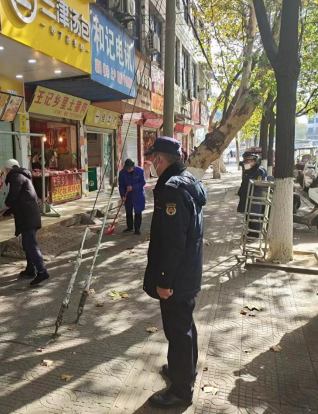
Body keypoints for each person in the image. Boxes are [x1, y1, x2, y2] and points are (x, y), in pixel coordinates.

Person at [142, 137, 207, 408]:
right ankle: (184, 371)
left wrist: (164, 280)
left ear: (160, 158)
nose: (150, 164)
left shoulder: (171, 189)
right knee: (185, 326)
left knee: (178, 331)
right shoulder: (188, 180)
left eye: (152, 158)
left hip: (177, 277)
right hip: (188, 270)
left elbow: (172, 241)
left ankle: (181, 391)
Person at [3, 159, 49, 286]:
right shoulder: (24, 176)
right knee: (27, 244)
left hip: (27, 216)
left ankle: (42, 271)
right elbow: (22, 198)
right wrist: (9, 211)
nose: (5, 172)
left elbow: (14, 193)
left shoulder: (16, 176)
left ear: (9, 169)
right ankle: (30, 269)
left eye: (6, 170)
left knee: (30, 245)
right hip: (29, 215)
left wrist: (7, 204)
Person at [237, 152, 267, 238]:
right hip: (247, 196)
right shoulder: (249, 170)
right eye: (246, 160)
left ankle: (255, 234)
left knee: (254, 216)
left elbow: (259, 184)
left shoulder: (259, 171)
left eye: (248, 161)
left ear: (254, 161)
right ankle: (250, 232)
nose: (246, 162)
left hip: (255, 197)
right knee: (248, 216)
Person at [118, 159, 146, 235]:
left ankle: (137, 229)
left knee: (138, 212)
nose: (128, 170)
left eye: (129, 169)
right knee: (128, 212)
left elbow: (143, 182)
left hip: (138, 195)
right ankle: (130, 227)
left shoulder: (140, 171)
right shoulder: (122, 173)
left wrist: (133, 187)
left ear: (133, 166)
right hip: (128, 196)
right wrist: (122, 195)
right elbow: (121, 185)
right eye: (127, 169)